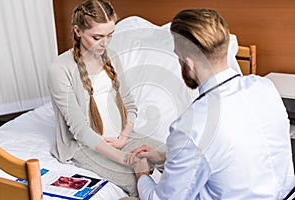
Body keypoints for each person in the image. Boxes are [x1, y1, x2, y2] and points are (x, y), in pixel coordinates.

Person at [126, 8, 295, 199]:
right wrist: (164, 156)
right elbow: (230, 152)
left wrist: (141, 175)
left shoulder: (192, 127)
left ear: (189, 64)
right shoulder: (265, 88)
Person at [47, 0, 164, 196]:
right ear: (78, 31)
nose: (105, 43)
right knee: (137, 182)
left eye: (110, 36)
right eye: (97, 37)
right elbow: (80, 130)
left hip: (122, 138)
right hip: (85, 147)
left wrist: (123, 138)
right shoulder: (60, 69)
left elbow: (130, 104)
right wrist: (127, 159)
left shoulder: (112, 57)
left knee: (177, 158)